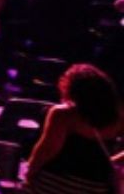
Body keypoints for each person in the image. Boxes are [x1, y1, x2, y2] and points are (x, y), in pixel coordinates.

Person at [24, 64, 123, 194]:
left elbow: (48, 149)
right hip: (95, 187)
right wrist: (110, 161)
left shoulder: (64, 114)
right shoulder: (117, 118)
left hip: (54, 183)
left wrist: (29, 173)